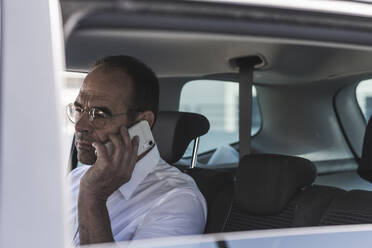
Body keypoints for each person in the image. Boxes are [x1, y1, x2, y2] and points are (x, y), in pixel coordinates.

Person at [67, 55, 207, 245]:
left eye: (99, 114)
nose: (80, 126)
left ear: (143, 123)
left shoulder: (177, 201)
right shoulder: (76, 178)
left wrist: (93, 197)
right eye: (79, 109)